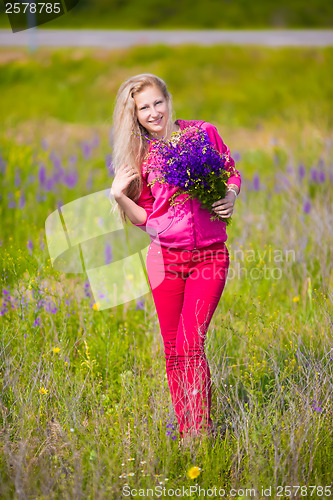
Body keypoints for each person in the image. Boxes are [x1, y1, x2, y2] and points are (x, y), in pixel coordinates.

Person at [110, 74, 241, 443]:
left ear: (169, 100)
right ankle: (188, 430)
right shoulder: (140, 157)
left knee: (190, 342)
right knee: (173, 350)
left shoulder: (203, 133)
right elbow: (146, 220)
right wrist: (120, 197)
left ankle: (201, 431)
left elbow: (231, 170)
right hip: (164, 260)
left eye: (158, 102)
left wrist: (230, 194)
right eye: (143, 108)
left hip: (210, 257)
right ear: (134, 116)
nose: (154, 112)